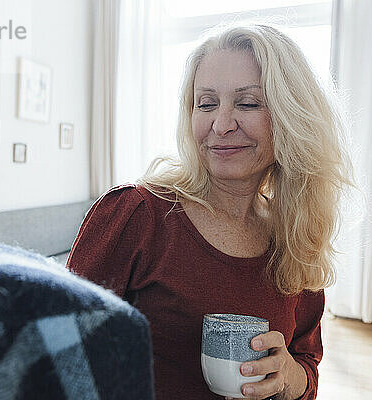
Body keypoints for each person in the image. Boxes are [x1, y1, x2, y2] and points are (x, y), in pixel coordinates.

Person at [67, 23, 351, 400]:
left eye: (247, 103)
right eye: (207, 103)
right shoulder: (136, 213)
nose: (221, 124)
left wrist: (288, 378)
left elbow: (305, 365)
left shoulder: (296, 235)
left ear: (291, 118)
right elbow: (59, 351)